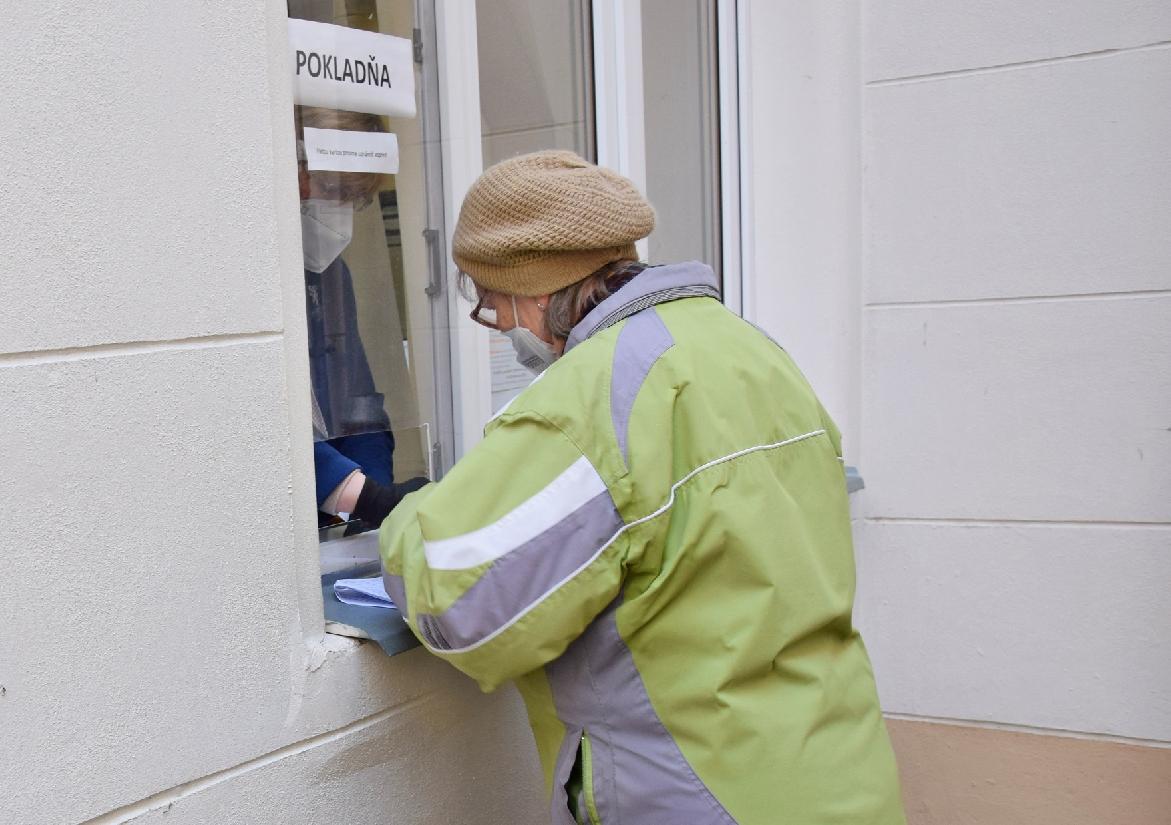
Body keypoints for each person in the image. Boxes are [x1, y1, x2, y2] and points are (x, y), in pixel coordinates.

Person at [379, 150, 906, 824]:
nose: (500, 325)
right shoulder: (746, 348)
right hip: (837, 776)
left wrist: (403, 514)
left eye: (492, 300)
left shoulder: (595, 393)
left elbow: (456, 606)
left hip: (706, 796)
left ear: (538, 286)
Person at [295, 106, 424, 529]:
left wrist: (375, 498)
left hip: (334, 508)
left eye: (350, 198)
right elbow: (262, 410)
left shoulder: (332, 274)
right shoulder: (251, 278)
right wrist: (361, 495)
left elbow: (358, 403)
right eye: (330, 188)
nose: (337, 209)